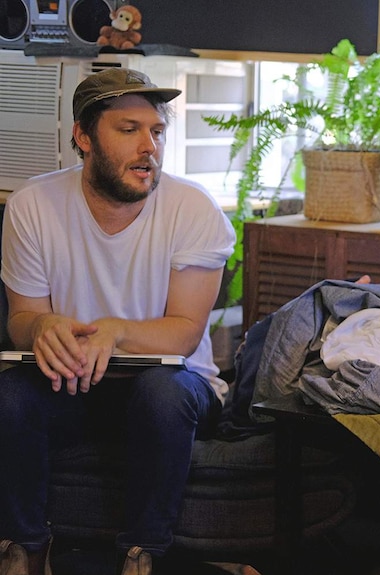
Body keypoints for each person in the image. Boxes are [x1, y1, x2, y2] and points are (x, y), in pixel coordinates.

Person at [0, 68, 235, 575]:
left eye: (156, 132)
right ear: (83, 137)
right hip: (75, 385)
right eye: (129, 130)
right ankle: (25, 551)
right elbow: (22, 316)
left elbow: (185, 331)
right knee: (12, 393)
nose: (149, 146)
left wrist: (117, 330)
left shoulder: (193, 208)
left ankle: (140, 555)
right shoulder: (32, 205)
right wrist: (40, 329)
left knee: (162, 391)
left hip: (178, 388)